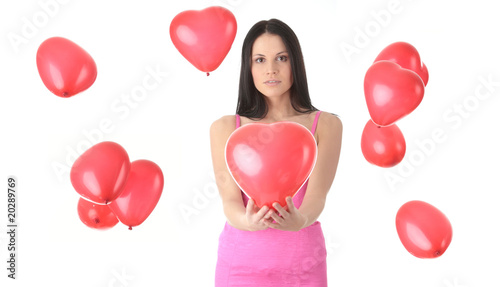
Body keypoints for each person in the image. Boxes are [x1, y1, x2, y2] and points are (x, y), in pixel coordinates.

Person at [210, 18, 342, 287]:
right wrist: (248, 222)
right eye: (259, 60)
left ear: (295, 62)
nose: (271, 69)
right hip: (240, 264)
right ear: (248, 68)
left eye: (281, 58)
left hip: (303, 262)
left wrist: (300, 220)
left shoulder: (326, 125)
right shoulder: (224, 128)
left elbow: (317, 197)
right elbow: (230, 202)